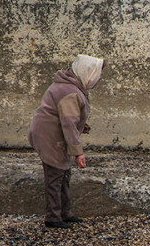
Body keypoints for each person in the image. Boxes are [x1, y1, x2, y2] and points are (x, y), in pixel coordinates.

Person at [28, 54, 104, 229]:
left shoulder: (71, 86)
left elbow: (68, 116)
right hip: (50, 137)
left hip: (54, 134)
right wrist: (79, 152)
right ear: (87, 72)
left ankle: (64, 213)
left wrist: (81, 125)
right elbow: (68, 123)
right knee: (55, 176)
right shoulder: (69, 90)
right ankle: (53, 217)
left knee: (64, 174)